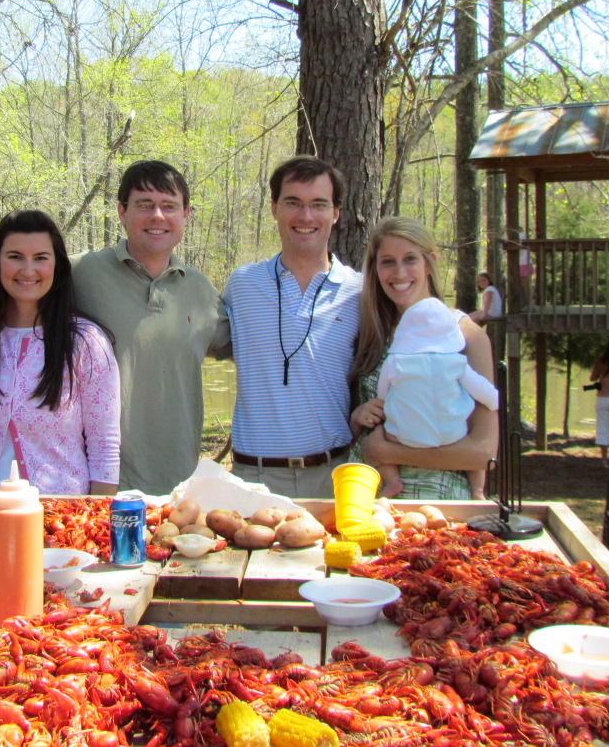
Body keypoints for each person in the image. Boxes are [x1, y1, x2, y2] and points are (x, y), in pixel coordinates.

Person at [72, 161, 230, 494]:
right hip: (96, 486)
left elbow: (258, 351)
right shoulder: (79, 274)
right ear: (121, 211)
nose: (157, 216)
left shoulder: (201, 291)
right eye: (144, 204)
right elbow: (5, 315)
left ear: (186, 214)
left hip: (179, 486)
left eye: (169, 206)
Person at [0, 210, 120, 498]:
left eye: (40, 258)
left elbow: (104, 447)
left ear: (57, 266)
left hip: (57, 517)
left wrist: (96, 516)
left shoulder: (85, 341)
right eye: (14, 256)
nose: (27, 270)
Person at [222, 157, 363, 495]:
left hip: (333, 477)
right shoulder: (243, 285)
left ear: (336, 213)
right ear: (274, 209)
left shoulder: (360, 292)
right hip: (252, 479)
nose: (306, 216)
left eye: (318, 204)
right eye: (293, 203)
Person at [346, 217, 499, 500]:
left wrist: (388, 451)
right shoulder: (372, 333)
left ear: (429, 263)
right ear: (375, 269)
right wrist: (358, 418)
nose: (399, 272)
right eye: (387, 262)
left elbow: (483, 452)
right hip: (369, 498)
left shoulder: (465, 335)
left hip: (440, 502)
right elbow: (359, 431)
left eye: (410, 259)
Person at [589, 337, 609, 460]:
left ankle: (604, 459)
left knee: (602, 428)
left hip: (602, 399)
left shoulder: (601, 362)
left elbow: (592, 378)